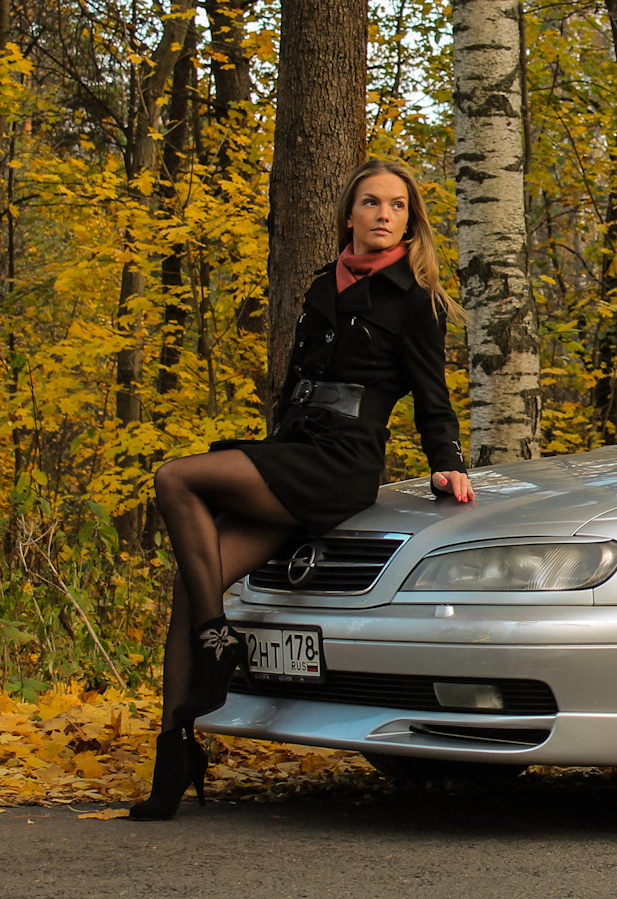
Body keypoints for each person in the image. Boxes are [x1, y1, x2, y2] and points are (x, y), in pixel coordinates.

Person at [129, 160, 477, 820]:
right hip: (290, 452)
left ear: (410, 219)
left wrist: (447, 460)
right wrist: (271, 451)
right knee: (190, 581)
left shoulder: (417, 300)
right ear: (349, 213)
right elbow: (293, 388)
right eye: (371, 203)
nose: (383, 215)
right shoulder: (322, 286)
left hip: (340, 462)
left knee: (176, 476)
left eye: (397, 206)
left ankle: (216, 639)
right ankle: (174, 756)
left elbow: (433, 399)